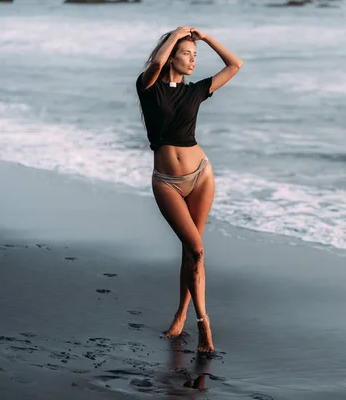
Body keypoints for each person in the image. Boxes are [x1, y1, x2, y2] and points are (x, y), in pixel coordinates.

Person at [136, 26, 243, 353]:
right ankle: (204, 323)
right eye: (187, 54)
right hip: (166, 181)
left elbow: (235, 65)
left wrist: (206, 39)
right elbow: (155, 65)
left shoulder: (195, 91)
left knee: (192, 250)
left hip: (201, 174)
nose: (193, 60)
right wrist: (178, 34)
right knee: (195, 249)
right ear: (171, 56)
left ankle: (185, 313)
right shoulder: (148, 86)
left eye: (195, 56)